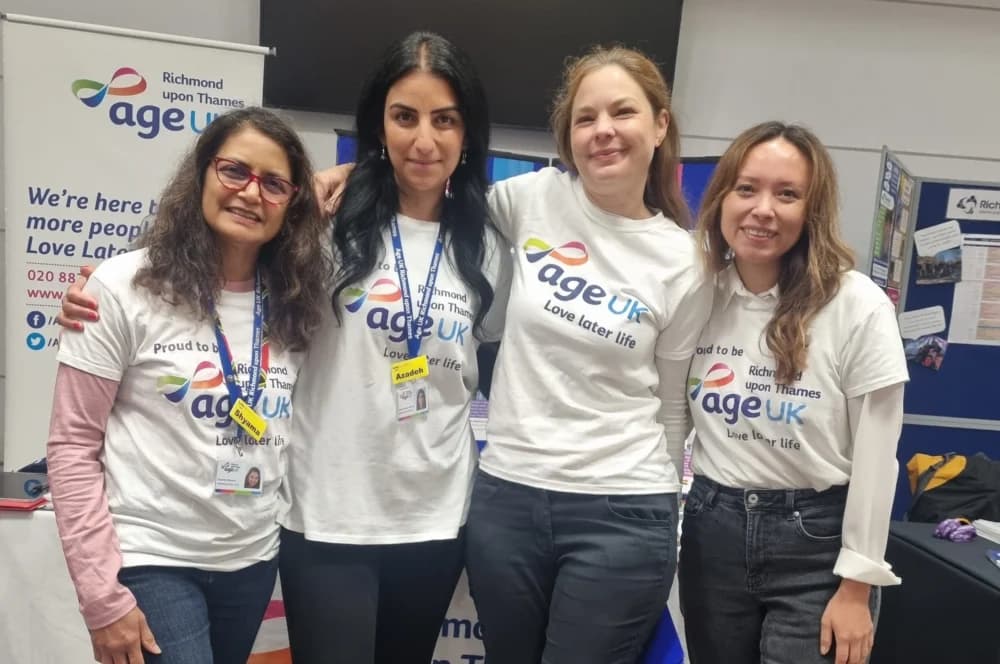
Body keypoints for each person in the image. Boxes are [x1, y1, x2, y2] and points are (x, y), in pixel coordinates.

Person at [58, 32, 507, 664]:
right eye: (404, 116)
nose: (423, 140)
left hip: (436, 514)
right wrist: (97, 286)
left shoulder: (486, 241)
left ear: (468, 133)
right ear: (378, 123)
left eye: (445, 120)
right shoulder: (322, 221)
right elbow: (211, 253)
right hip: (324, 512)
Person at [46, 107, 330, 664]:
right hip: (152, 559)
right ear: (201, 174)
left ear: (291, 204)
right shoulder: (124, 287)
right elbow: (72, 447)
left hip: (250, 560)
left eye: (273, 184)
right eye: (234, 171)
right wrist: (102, 598)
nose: (251, 193)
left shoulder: (298, 303)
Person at [463, 46, 711, 664]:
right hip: (508, 499)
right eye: (585, 118)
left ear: (659, 126)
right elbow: (426, 197)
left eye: (622, 112)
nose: (602, 131)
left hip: (622, 512)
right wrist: (348, 176)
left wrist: (667, 507)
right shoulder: (532, 199)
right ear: (568, 135)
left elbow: (673, 405)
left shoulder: (686, 260)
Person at [679, 121, 908, 664]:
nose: (763, 209)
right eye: (747, 188)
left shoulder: (856, 305)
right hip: (714, 532)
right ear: (722, 198)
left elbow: (879, 458)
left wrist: (857, 585)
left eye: (787, 194)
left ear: (812, 211)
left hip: (817, 546)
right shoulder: (696, 294)